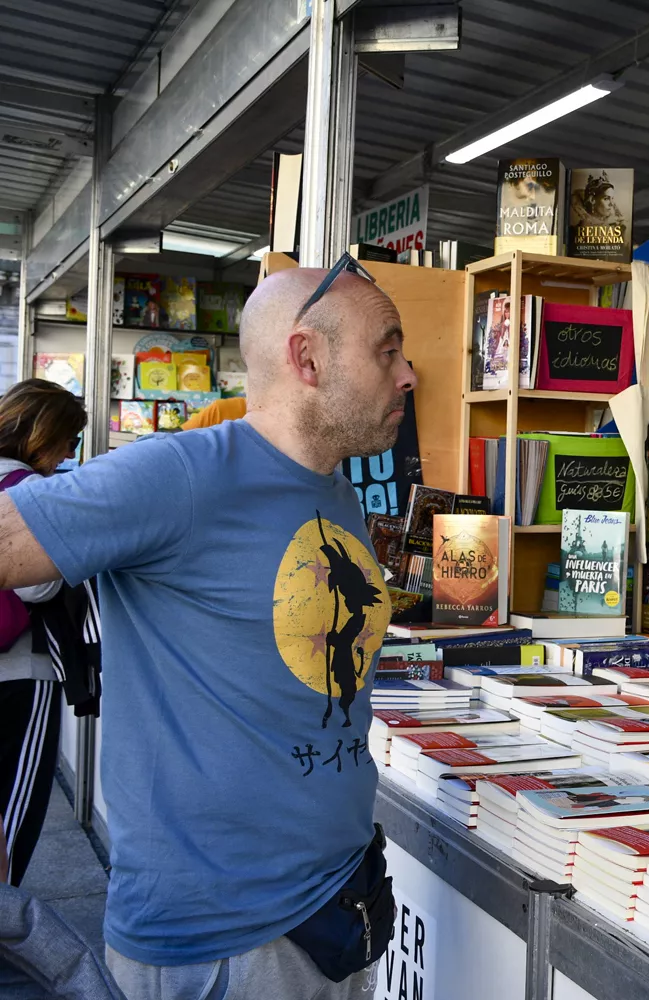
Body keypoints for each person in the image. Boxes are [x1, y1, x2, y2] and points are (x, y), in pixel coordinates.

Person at [0, 261, 416, 999]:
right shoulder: (179, 475)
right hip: (224, 947)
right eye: (388, 349)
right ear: (307, 358)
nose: (409, 373)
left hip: (337, 913)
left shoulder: (337, 491)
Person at [0, 380, 86, 887]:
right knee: (14, 813)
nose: (71, 453)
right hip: (18, 673)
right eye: (70, 440)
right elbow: (37, 587)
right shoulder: (31, 490)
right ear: (43, 435)